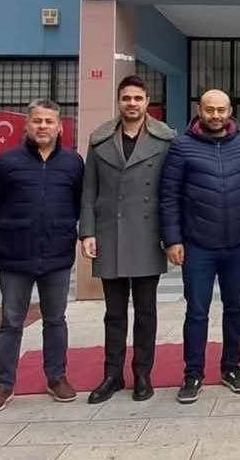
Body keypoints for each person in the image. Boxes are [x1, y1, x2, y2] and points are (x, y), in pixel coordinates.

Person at [0, 99, 84, 415]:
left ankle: (56, 377)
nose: (43, 126)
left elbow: (79, 203)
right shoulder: (6, 162)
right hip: (15, 255)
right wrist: (11, 229)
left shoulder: (73, 163)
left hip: (57, 254)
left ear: (60, 127)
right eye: (37, 121)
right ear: (27, 124)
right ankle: (4, 383)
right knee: (11, 321)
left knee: (55, 319)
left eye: (49, 121)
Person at [80, 75, 177, 404]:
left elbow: (172, 191)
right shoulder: (100, 139)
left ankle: (143, 374)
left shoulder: (166, 139)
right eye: (126, 98)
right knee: (114, 312)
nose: (132, 104)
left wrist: (172, 236)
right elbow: (89, 189)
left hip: (148, 234)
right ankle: (112, 375)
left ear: (147, 101)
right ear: (119, 101)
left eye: (137, 98)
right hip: (110, 233)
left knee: (146, 311)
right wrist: (87, 232)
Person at [159, 89, 240, 405]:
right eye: (209, 110)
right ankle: (193, 373)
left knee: (236, 309)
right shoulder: (181, 147)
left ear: (230, 111)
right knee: (197, 311)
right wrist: (172, 239)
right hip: (197, 246)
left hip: (238, 245)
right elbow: (169, 196)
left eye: (221, 110)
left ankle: (231, 367)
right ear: (199, 111)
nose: (215, 115)